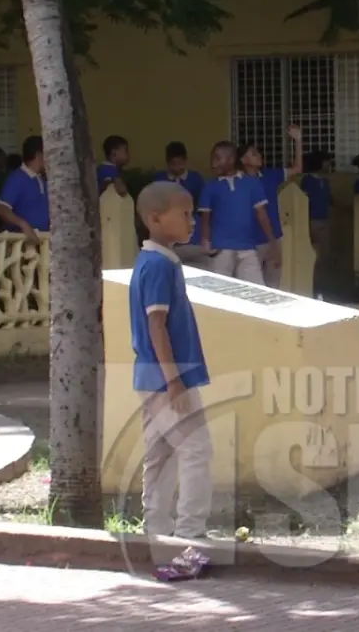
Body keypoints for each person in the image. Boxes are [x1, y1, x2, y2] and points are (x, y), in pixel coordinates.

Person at [130, 181, 215, 539]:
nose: (192, 220)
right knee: (197, 450)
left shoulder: (155, 262)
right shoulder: (158, 267)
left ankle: (157, 531)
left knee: (161, 455)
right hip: (167, 379)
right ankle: (190, 531)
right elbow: (156, 325)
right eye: (184, 214)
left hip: (151, 378)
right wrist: (175, 381)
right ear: (155, 219)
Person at [198, 141, 277, 284]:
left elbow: (262, 215)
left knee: (255, 291)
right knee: (219, 291)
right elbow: (206, 218)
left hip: (247, 247)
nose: (213, 164)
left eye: (217, 159)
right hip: (220, 248)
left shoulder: (252, 183)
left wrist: (273, 242)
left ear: (231, 159)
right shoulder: (210, 187)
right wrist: (205, 240)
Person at [241, 125, 302, 288]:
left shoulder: (270, 175)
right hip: (251, 241)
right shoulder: (238, 182)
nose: (259, 156)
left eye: (258, 153)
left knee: (273, 286)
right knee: (251, 287)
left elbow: (297, 168)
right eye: (253, 154)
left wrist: (298, 141)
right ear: (243, 160)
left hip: (274, 237)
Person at [155, 141, 211, 268]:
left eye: (180, 163)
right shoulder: (159, 178)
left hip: (192, 233)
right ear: (167, 162)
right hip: (167, 231)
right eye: (173, 164)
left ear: (185, 161)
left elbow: (202, 207)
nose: (176, 168)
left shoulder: (195, 178)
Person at [0, 135, 48, 244]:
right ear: (39, 155)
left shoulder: (42, 178)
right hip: (22, 245)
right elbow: (2, 209)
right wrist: (24, 225)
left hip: (44, 243)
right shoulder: (17, 179)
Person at [98, 135, 146, 246]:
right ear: (114, 152)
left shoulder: (113, 170)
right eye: (125, 151)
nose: (128, 155)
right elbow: (121, 190)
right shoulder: (108, 170)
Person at [300, 151, 334, 296]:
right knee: (315, 257)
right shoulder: (307, 181)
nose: (329, 165)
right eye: (326, 162)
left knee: (324, 257)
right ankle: (313, 288)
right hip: (313, 221)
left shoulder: (325, 181)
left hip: (325, 220)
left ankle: (321, 288)